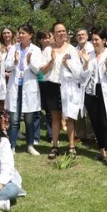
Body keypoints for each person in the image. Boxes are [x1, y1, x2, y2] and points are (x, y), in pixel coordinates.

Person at [40, 21, 82, 158]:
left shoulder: (72, 50)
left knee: (69, 117)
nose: (62, 33)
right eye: (58, 31)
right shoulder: (47, 50)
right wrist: (51, 61)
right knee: (55, 117)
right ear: (54, 34)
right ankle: (55, 146)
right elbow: (43, 71)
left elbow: (78, 71)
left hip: (67, 86)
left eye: (63, 31)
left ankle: (71, 147)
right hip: (52, 85)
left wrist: (67, 63)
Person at [82, 29, 107, 167]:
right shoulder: (89, 55)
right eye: (92, 40)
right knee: (96, 123)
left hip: (104, 92)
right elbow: (83, 75)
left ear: (104, 40)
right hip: (91, 92)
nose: (94, 42)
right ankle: (101, 152)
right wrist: (86, 62)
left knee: (106, 124)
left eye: (97, 39)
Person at [5, 24, 43, 154]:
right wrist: (15, 61)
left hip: (29, 86)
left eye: (23, 33)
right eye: (19, 33)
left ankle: (30, 145)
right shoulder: (13, 48)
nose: (20, 35)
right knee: (14, 119)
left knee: (29, 119)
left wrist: (29, 61)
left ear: (30, 35)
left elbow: (38, 69)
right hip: (16, 85)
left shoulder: (36, 50)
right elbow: (7, 67)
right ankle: (12, 146)